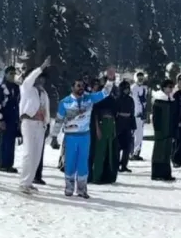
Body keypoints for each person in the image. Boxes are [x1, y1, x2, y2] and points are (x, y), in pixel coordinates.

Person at [50, 67, 117, 198]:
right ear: (72, 87)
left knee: (83, 164)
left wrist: (110, 80)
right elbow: (58, 121)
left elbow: (105, 93)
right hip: (70, 137)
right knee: (70, 163)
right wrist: (54, 137)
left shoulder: (89, 98)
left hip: (84, 136)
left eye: (82, 86)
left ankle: (82, 189)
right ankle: (69, 188)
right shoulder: (65, 102)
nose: (81, 88)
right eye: (78, 86)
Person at [18, 57, 51, 193]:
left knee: (37, 154)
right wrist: (42, 66)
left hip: (40, 124)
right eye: (39, 77)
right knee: (29, 153)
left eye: (42, 77)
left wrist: (46, 123)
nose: (40, 79)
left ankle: (30, 181)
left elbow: (46, 109)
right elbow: (30, 78)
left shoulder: (43, 92)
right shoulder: (26, 88)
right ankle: (23, 182)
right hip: (29, 123)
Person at [89, 81, 120, 185]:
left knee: (109, 152)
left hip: (110, 125)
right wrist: (97, 129)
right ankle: (96, 176)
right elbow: (96, 115)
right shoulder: (99, 99)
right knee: (99, 152)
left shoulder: (113, 100)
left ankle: (107, 176)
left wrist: (114, 129)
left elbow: (115, 116)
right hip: (101, 125)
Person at [0, 66, 21, 173]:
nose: (12, 75)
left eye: (14, 74)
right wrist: (0, 119)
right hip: (4, 117)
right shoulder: (1, 87)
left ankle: (9, 164)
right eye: (10, 73)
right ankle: (2, 164)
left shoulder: (16, 87)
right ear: (5, 74)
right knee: (4, 141)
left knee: (11, 141)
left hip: (13, 117)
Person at [151, 79, 176, 181]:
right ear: (164, 88)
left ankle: (166, 173)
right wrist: (158, 130)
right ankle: (156, 173)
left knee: (167, 153)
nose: (170, 89)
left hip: (169, 130)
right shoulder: (158, 100)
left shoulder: (171, 100)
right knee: (159, 152)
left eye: (171, 87)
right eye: (168, 87)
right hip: (161, 131)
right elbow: (155, 118)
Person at [114, 80, 137, 173]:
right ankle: (115, 164)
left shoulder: (130, 100)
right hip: (119, 124)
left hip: (127, 125)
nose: (127, 90)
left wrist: (133, 126)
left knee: (127, 147)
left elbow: (132, 113)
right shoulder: (117, 99)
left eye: (128, 88)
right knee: (117, 147)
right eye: (125, 88)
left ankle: (124, 165)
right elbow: (115, 113)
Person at [130, 71, 148, 161]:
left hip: (141, 116)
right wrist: (136, 113)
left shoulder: (144, 88)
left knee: (140, 135)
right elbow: (135, 102)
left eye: (142, 77)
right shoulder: (133, 88)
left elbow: (144, 102)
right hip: (135, 115)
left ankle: (137, 153)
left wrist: (144, 113)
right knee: (134, 135)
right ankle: (132, 153)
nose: (140, 78)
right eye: (139, 77)